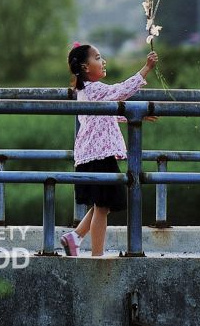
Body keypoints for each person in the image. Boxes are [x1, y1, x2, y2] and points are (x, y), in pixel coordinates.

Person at [59, 42, 158, 257]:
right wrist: (146, 68)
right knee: (103, 207)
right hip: (98, 156)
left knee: (101, 203)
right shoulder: (94, 89)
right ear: (85, 67)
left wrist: (136, 115)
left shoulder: (85, 91)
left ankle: (74, 237)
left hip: (92, 155)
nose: (103, 61)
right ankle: (97, 256)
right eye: (97, 57)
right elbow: (120, 91)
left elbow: (105, 116)